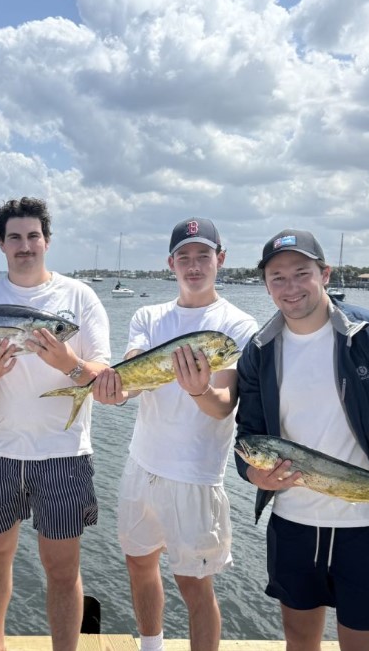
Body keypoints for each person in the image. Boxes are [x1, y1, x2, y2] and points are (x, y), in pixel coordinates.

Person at [234, 229, 369, 651]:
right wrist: (257, 479)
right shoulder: (260, 350)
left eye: (301, 273)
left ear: (325, 273)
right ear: (266, 284)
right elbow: (247, 436)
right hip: (294, 520)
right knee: (297, 640)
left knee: (362, 644)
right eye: (277, 277)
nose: (290, 287)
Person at [90, 218, 257, 651]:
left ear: (221, 259)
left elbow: (224, 405)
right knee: (139, 563)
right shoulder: (148, 315)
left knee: (194, 583)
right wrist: (114, 389)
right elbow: (131, 371)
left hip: (196, 474)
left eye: (204, 255)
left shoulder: (238, 326)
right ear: (171, 263)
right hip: (141, 463)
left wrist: (199, 390)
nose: (194, 265)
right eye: (184, 257)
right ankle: (151, 646)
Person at [0, 197, 111, 651]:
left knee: (63, 566)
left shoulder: (79, 297)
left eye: (33, 236)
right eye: (15, 237)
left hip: (63, 454)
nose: (25, 245)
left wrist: (69, 362)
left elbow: (105, 379)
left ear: (46, 240)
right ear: (1, 245)